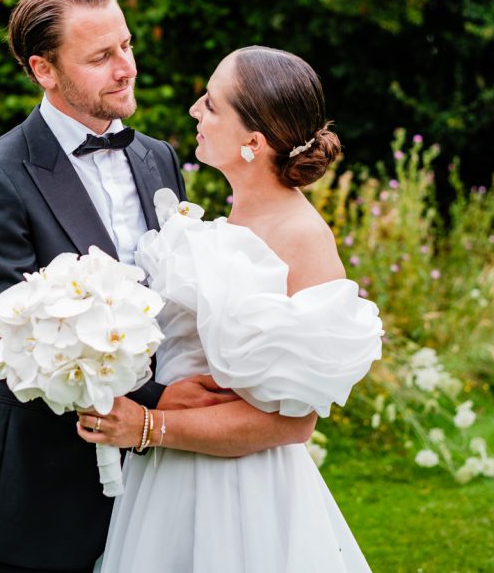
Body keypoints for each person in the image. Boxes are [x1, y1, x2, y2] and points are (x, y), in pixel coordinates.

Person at [0, 0, 317, 573]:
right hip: (41, 494)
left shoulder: (158, 157)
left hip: (159, 486)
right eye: (100, 56)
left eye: (126, 45)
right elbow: (11, 343)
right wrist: (157, 401)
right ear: (45, 70)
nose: (126, 67)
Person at [76, 46, 384, 572]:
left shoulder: (303, 239)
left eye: (212, 104)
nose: (196, 110)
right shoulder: (220, 228)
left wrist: (149, 427)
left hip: (242, 497)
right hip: (165, 487)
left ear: (253, 142)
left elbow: (293, 424)